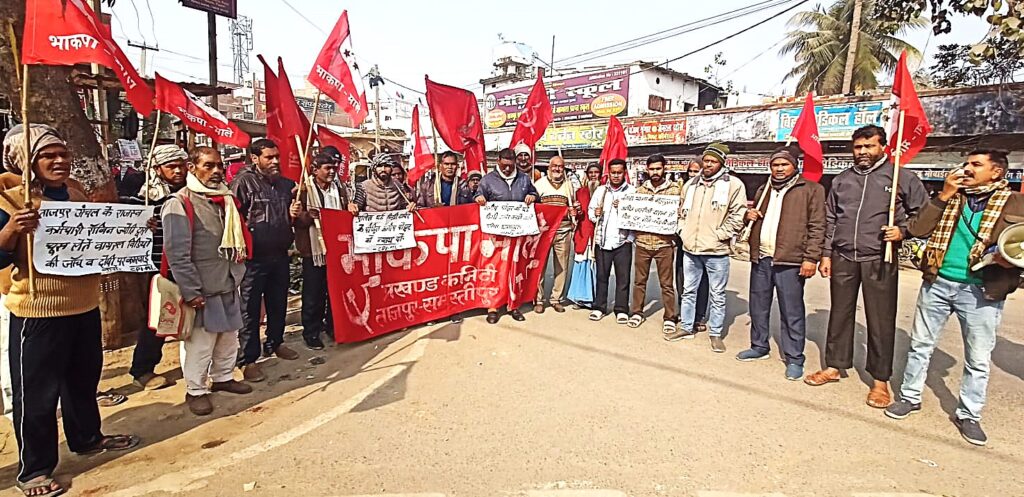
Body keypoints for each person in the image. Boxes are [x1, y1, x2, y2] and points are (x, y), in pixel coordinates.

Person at [0, 124, 139, 497]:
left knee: (82, 381)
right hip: (37, 312)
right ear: (26, 160)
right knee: (37, 395)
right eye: (48, 155)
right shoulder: (9, 199)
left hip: (84, 305)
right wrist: (12, 229)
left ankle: (88, 438)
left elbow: (94, 238)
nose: (60, 160)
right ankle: (34, 470)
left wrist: (133, 230)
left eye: (63, 153)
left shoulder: (75, 192)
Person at [886, 150, 1023, 446]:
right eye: (966, 164)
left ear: (997, 172)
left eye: (976, 165)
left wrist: (1010, 259)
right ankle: (909, 397)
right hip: (938, 281)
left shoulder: (1016, 203)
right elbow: (918, 228)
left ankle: (969, 414)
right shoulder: (952, 196)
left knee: (978, 357)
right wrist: (944, 195)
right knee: (920, 345)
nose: (967, 169)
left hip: (982, 290)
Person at [804, 125, 928, 409]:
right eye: (858, 147)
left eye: (869, 146)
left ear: (882, 147)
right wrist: (826, 254)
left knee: (880, 320)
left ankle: (880, 380)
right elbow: (831, 219)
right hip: (844, 256)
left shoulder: (901, 177)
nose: (862, 152)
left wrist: (903, 231)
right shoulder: (842, 180)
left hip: (880, 257)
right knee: (840, 314)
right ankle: (834, 366)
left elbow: (923, 213)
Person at [163, 146, 253, 416]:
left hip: (228, 281)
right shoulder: (180, 202)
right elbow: (177, 253)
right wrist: (191, 291)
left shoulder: (225, 199)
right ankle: (196, 390)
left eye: (219, 166)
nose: (216, 171)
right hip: (201, 287)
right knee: (200, 344)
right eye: (209, 166)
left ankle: (223, 377)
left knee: (228, 338)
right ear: (192, 168)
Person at [737, 147, 826, 380]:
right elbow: (753, 218)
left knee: (791, 310)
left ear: (794, 166)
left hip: (790, 260)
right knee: (758, 306)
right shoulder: (764, 189)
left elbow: (818, 226)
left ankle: (794, 357)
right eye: (775, 165)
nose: (779, 169)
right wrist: (748, 216)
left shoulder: (811, 189)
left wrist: (811, 258)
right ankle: (759, 346)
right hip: (762, 257)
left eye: (784, 164)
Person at [230, 138, 300, 384]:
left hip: (280, 255)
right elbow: (232, 217)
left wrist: (294, 213)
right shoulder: (242, 183)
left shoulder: (286, 185)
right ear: (254, 158)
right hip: (253, 259)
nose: (275, 161)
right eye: (269, 157)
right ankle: (248, 360)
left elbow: (292, 216)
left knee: (278, 303)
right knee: (249, 311)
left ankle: (275, 342)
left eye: (277, 157)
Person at [668, 143, 747, 352]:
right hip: (690, 249)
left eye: (713, 161)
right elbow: (680, 212)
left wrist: (719, 235)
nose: (708, 164)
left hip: (716, 251)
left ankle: (716, 333)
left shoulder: (733, 185)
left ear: (721, 163)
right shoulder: (691, 185)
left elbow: (738, 215)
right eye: (706, 160)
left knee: (717, 294)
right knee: (688, 290)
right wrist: (682, 231)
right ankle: (686, 327)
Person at [128, 144, 189, 391]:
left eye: (181, 165)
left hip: (190, 264)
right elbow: (126, 229)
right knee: (158, 318)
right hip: (157, 268)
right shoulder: (143, 197)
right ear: (157, 169)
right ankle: (142, 369)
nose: (178, 171)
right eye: (171, 166)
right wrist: (141, 224)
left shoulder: (192, 193)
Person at [293, 149, 354, 350]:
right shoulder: (303, 190)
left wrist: (351, 210)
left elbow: (344, 214)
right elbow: (295, 221)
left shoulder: (340, 190)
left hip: (336, 248)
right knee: (313, 293)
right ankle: (311, 331)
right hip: (313, 250)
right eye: (327, 168)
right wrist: (308, 216)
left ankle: (332, 326)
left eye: (334, 168)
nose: (332, 172)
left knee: (334, 291)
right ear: (315, 169)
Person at [475, 147, 539, 324]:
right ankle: (493, 306)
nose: (508, 169)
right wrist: (479, 197)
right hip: (496, 236)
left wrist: (532, 196)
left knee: (515, 270)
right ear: (498, 162)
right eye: (504, 166)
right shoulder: (488, 180)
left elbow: (535, 193)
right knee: (495, 270)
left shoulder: (524, 178)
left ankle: (513, 305)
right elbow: (478, 194)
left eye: (511, 166)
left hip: (518, 235)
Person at [628, 154, 682, 333]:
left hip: (664, 244)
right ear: (647, 170)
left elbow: (681, 214)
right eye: (652, 169)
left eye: (658, 168)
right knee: (639, 282)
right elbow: (632, 213)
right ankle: (637, 312)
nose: (655, 172)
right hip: (642, 243)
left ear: (665, 168)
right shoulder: (639, 191)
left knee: (667, 284)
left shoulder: (675, 191)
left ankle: (670, 317)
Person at [588, 159, 634, 323]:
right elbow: (591, 212)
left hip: (623, 241)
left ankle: (621, 309)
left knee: (623, 278)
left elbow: (636, 217)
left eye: (619, 172)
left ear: (624, 173)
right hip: (603, 241)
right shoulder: (601, 191)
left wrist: (630, 238)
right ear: (608, 173)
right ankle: (599, 307)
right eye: (613, 172)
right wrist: (596, 213)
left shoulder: (631, 192)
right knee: (601, 276)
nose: (616, 176)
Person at [533, 155, 577, 313]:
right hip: (544, 232)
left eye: (560, 166)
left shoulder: (569, 185)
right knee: (539, 267)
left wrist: (574, 211)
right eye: (555, 166)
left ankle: (556, 298)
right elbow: (533, 208)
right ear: (549, 167)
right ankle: (538, 299)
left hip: (563, 231)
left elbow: (573, 205)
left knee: (562, 266)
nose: (557, 169)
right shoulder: (539, 184)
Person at [675, 160, 711, 332]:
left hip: (706, 243)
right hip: (685, 241)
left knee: (702, 281)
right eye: (690, 171)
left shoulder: (711, 189)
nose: (692, 174)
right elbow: (680, 213)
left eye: (696, 171)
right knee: (683, 280)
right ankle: (684, 314)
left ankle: (699, 316)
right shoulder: (685, 188)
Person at [571, 164, 602, 309]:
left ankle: (595, 299)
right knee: (582, 265)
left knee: (597, 267)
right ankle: (580, 298)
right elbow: (577, 216)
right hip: (583, 234)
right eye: (591, 173)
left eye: (596, 172)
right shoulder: (580, 193)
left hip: (599, 234)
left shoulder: (605, 192)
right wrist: (576, 211)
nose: (593, 175)